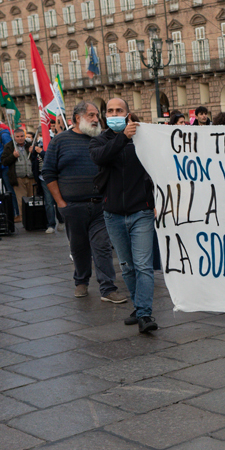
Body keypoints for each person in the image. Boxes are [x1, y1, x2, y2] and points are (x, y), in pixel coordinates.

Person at [42, 101, 123, 302]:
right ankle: (81, 281)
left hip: (100, 205)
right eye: (92, 115)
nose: (97, 119)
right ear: (78, 118)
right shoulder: (60, 141)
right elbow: (48, 173)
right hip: (72, 206)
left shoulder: (103, 140)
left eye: (97, 115)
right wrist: (61, 203)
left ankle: (107, 288)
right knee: (78, 247)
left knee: (102, 246)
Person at [92, 97, 159, 333]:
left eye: (119, 110)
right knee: (127, 266)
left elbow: (157, 167)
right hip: (113, 214)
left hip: (141, 211)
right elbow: (101, 157)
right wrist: (123, 138)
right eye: (110, 111)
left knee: (143, 265)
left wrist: (156, 200)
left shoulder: (143, 137)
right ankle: (140, 306)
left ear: (128, 113)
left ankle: (144, 313)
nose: (114, 114)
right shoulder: (100, 140)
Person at [2, 125, 39, 210]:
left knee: (32, 202)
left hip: (31, 177)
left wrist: (34, 152)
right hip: (18, 179)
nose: (20, 138)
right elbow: (4, 162)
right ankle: (25, 221)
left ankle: (33, 221)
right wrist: (13, 156)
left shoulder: (30, 145)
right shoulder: (9, 146)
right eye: (17, 137)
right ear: (14, 137)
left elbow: (37, 160)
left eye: (22, 136)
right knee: (22, 203)